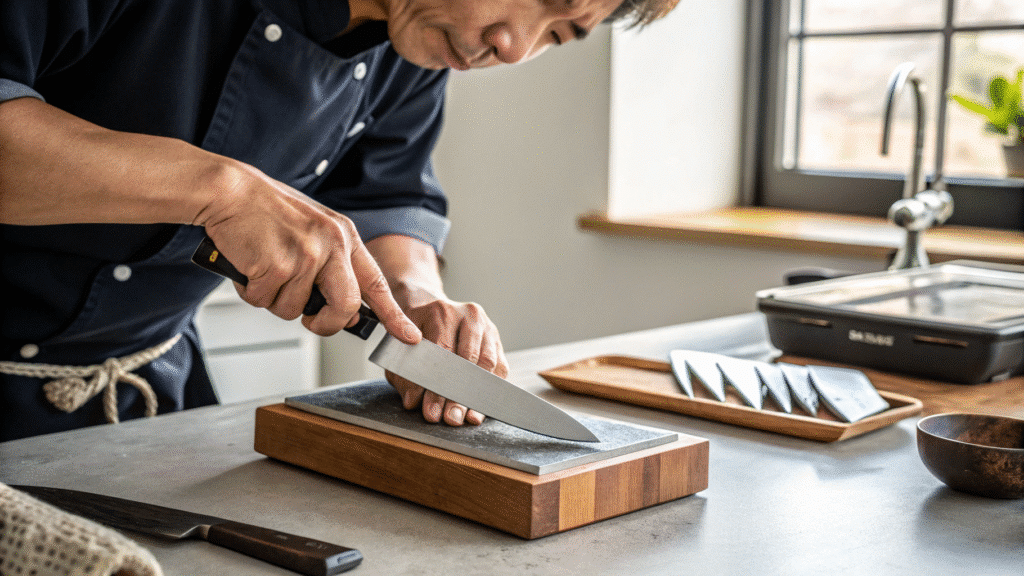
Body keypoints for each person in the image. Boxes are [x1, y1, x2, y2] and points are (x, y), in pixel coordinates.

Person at [0, 0, 679, 442]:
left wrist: (415, 302)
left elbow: (387, 196)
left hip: (141, 407)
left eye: (557, 35)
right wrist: (221, 188)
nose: (511, 45)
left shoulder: (415, 50)